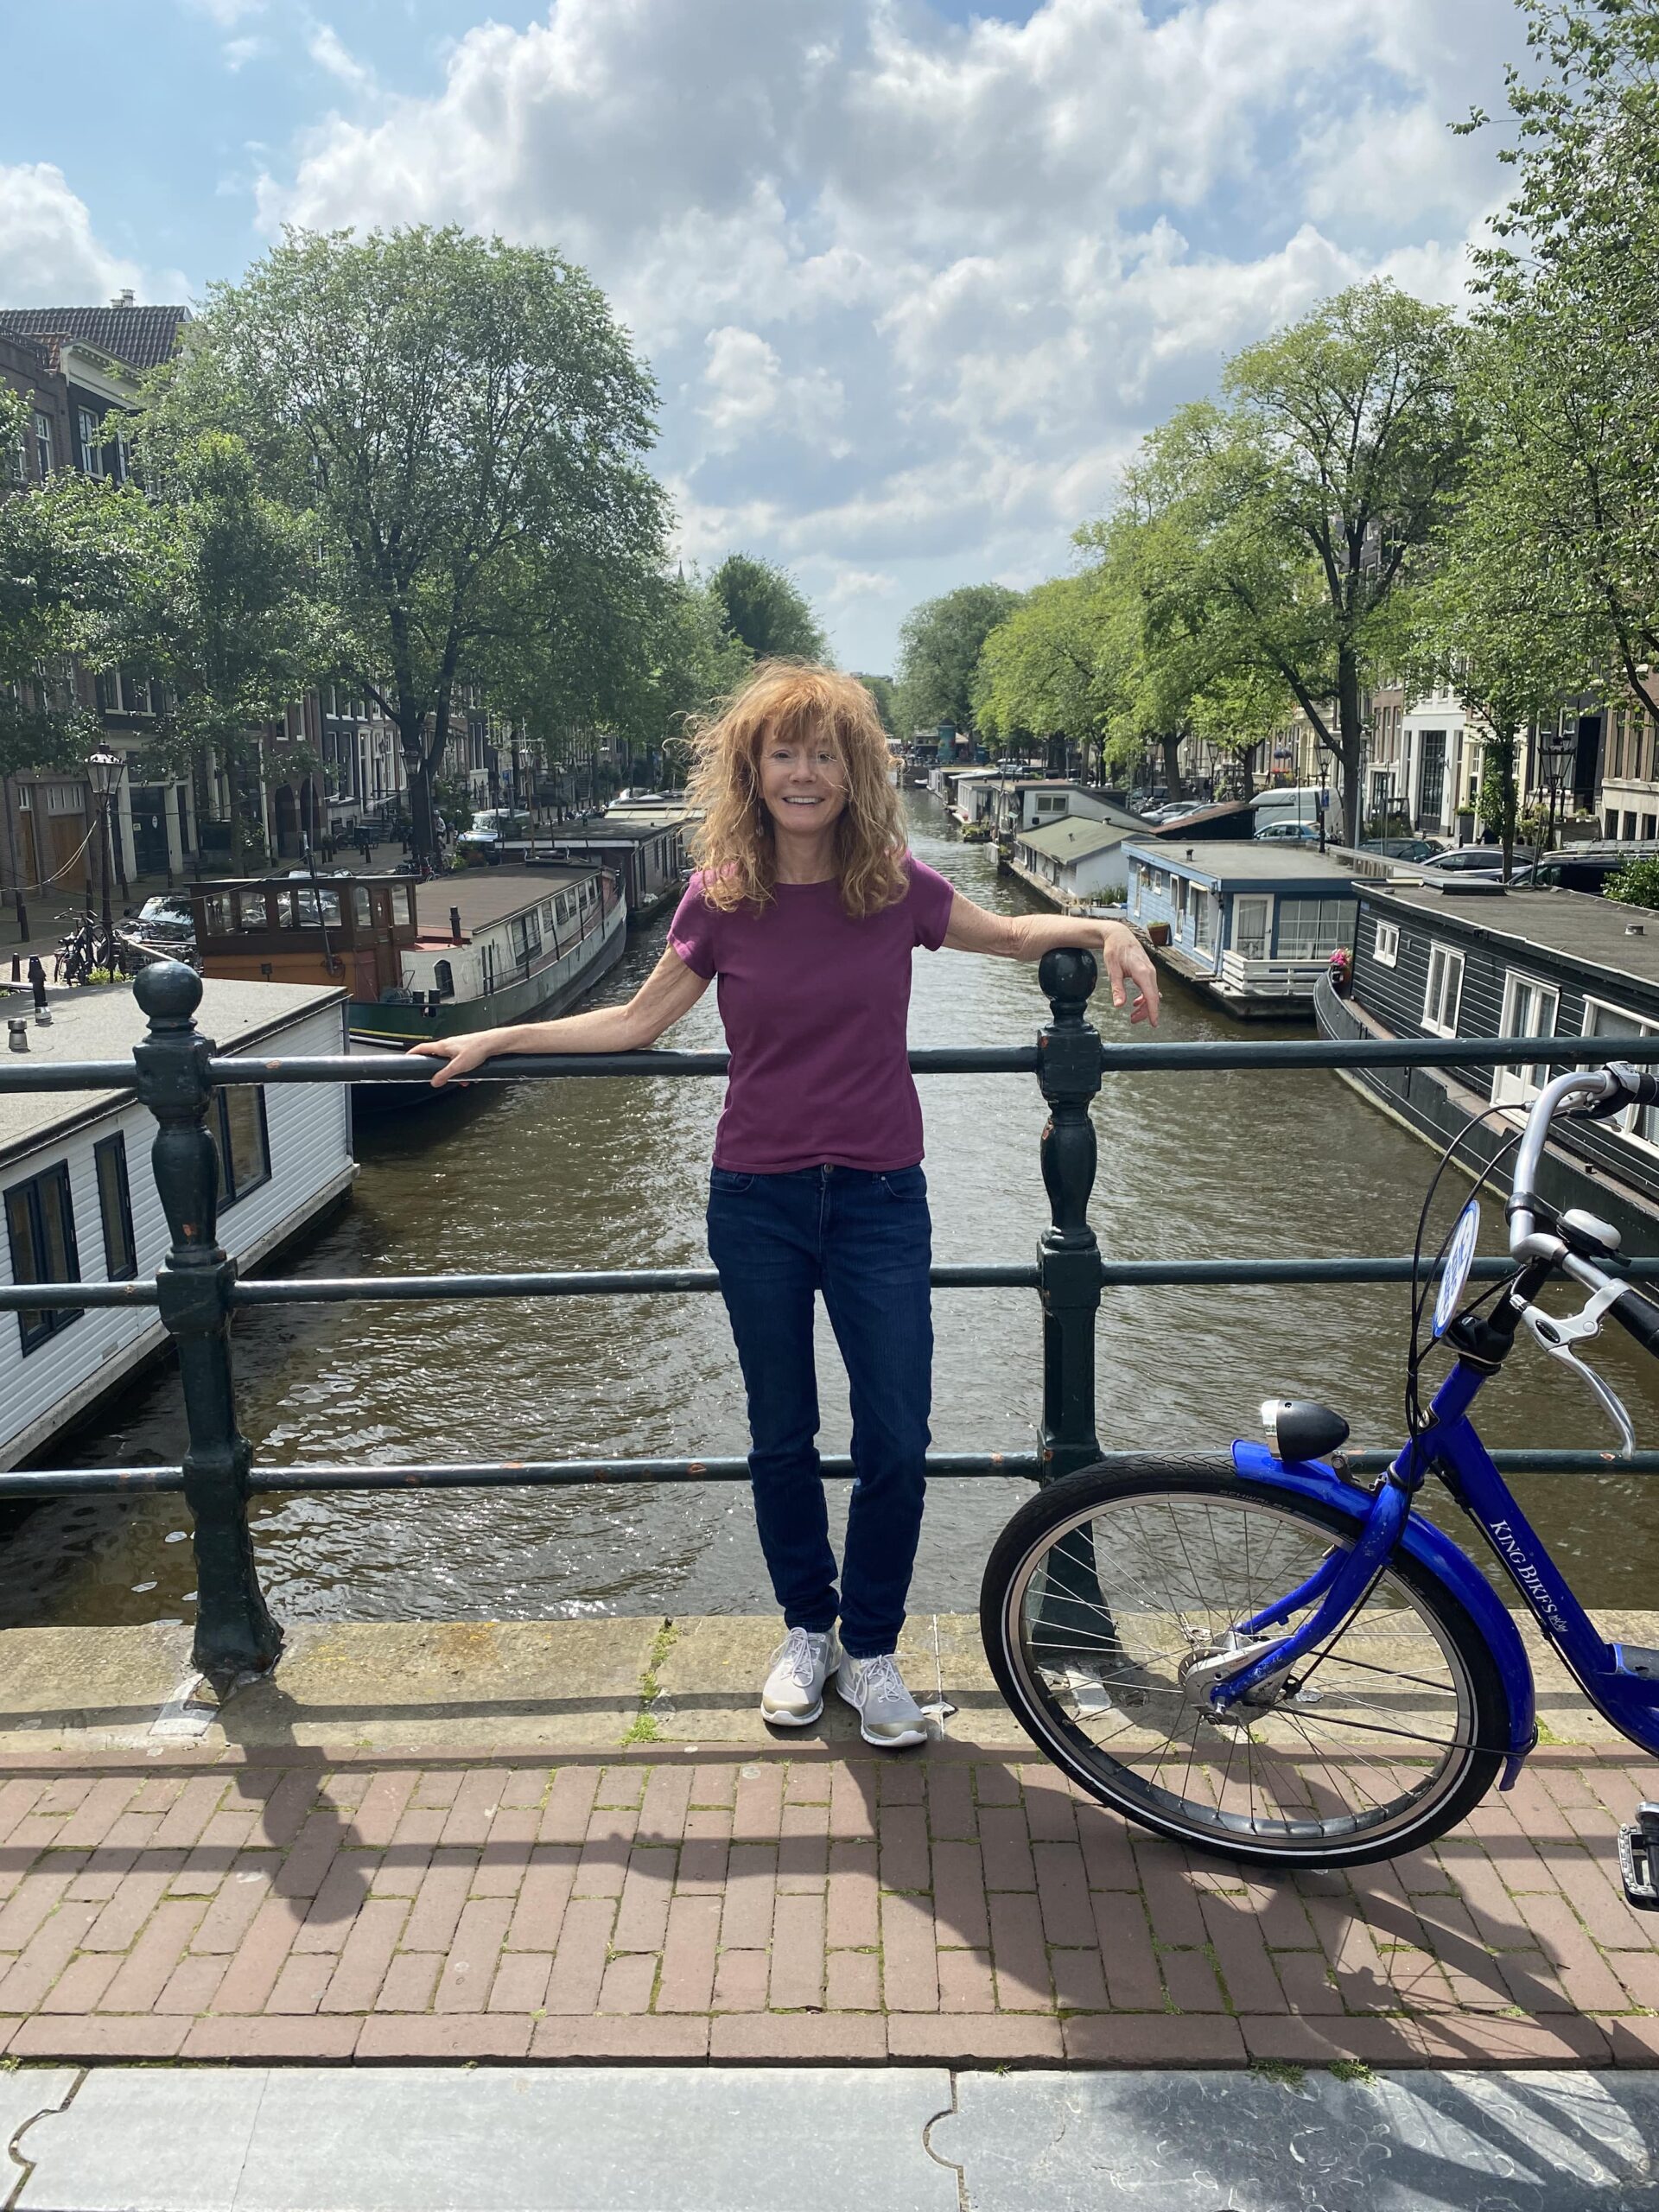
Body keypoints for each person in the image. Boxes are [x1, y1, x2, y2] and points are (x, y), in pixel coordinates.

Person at [407, 663, 1159, 1748]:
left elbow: (1008, 937)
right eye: (783, 753)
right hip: (754, 1198)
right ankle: (808, 1632)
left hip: (879, 1198)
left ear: (855, 772)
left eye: (824, 753)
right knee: (781, 1432)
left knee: (898, 1433)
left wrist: (1102, 932)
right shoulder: (721, 895)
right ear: (751, 771)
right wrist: (498, 1036)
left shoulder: (894, 885)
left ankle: (877, 1648)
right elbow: (632, 1024)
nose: (803, 772)